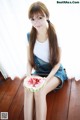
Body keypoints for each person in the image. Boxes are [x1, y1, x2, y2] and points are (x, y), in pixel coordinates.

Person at [24, 1, 68, 120]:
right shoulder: (30, 36)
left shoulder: (55, 36)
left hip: (55, 72)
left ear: (47, 17)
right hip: (39, 71)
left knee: (40, 92)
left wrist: (46, 80)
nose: (36, 22)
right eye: (32, 19)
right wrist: (28, 76)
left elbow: (58, 62)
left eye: (40, 17)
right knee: (27, 89)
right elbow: (29, 60)